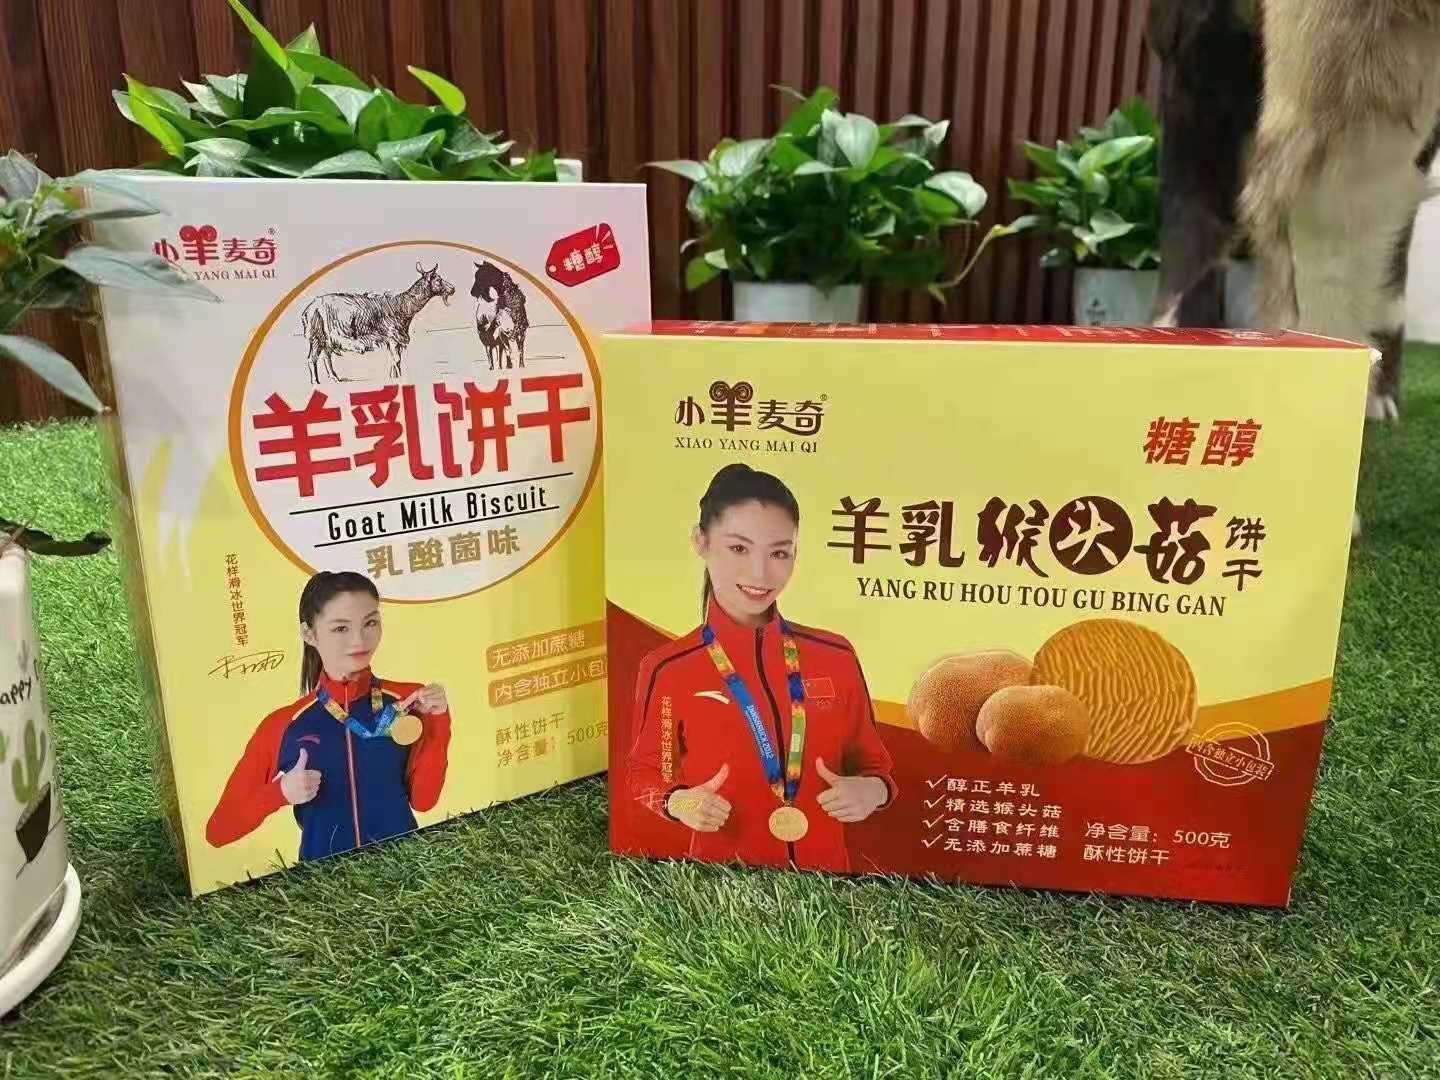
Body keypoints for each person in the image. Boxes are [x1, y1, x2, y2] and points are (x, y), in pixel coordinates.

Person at [627, 463, 897, 873]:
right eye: (739, 549)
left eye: (778, 553)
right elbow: (645, 772)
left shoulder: (835, 656)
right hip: (721, 886)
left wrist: (873, 792)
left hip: (827, 881)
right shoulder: (668, 669)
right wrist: (678, 802)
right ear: (701, 541)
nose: (760, 573)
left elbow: (875, 766)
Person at [207, 570, 452, 861]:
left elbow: (424, 801)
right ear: (309, 634)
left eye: (370, 622)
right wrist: (280, 793)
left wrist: (438, 721)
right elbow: (219, 830)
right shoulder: (284, 724)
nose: (359, 640)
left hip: (403, 867)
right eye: (341, 628)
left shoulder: (409, 701)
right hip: (324, 880)